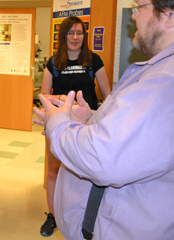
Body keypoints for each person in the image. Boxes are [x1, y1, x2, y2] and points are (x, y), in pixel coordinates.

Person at [33, 0, 174, 240]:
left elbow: (103, 159)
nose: (134, 17)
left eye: (140, 7)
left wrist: (59, 124)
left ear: (172, 13)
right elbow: (148, 140)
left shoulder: (173, 79)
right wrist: (90, 120)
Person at [40, 16, 110, 237]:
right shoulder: (53, 63)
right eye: (70, 33)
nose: (75, 37)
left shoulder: (94, 60)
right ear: (63, 36)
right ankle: (52, 215)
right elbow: (44, 96)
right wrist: (65, 97)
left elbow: (108, 96)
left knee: (83, 171)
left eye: (79, 33)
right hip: (59, 122)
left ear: (84, 36)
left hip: (86, 124)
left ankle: (82, 214)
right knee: (53, 170)